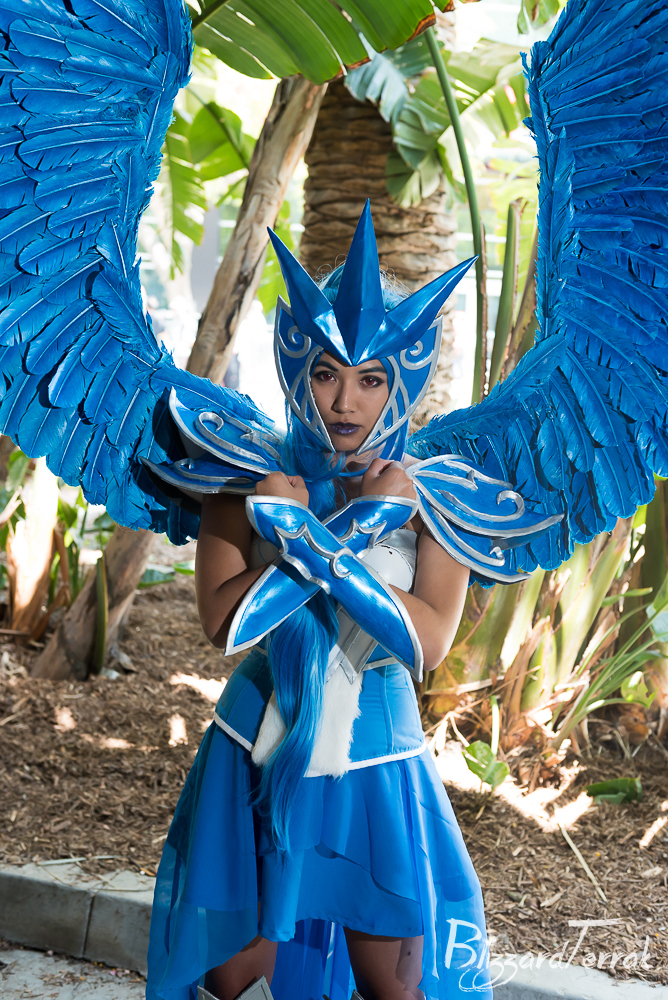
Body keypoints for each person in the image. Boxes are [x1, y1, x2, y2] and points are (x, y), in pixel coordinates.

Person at [146, 216, 496, 1000]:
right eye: (328, 373)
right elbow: (224, 624)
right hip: (256, 746)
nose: (345, 401)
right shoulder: (241, 469)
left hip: (378, 757)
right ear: (296, 365)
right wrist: (306, 521)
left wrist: (329, 529)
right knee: (233, 980)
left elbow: (427, 644)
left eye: (371, 379)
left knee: (395, 986)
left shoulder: (436, 498)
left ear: (402, 381)